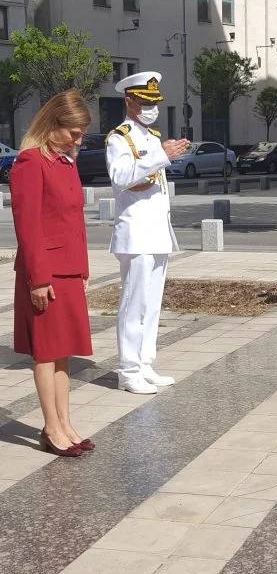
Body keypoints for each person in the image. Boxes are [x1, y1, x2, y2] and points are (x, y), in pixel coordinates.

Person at [10, 91, 94, 457]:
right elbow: (27, 227)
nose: (78, 141)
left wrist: (83, 268)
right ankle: (51, 428)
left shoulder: (65, 161)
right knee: (46, 354)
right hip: (45, 273)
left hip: (69, 270)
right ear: (52, 124)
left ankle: (65, 423)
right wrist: (38, 279)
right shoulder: (31, 162)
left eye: (81, 134)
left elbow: (75, 219)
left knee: (64, 353)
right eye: (74, 133)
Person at [106, 71, 190, 394]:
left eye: (154, 103)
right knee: (134, 303)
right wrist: (161, 156)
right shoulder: (120, 138)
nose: (151, 109)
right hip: (136, 234)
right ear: (129, 101)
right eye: (145, 103)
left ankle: (144, 363)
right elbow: (121, 176)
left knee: (152, 304)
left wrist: (161, 153)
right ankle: (128, 371)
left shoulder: (152, 137)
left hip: (156, 231)